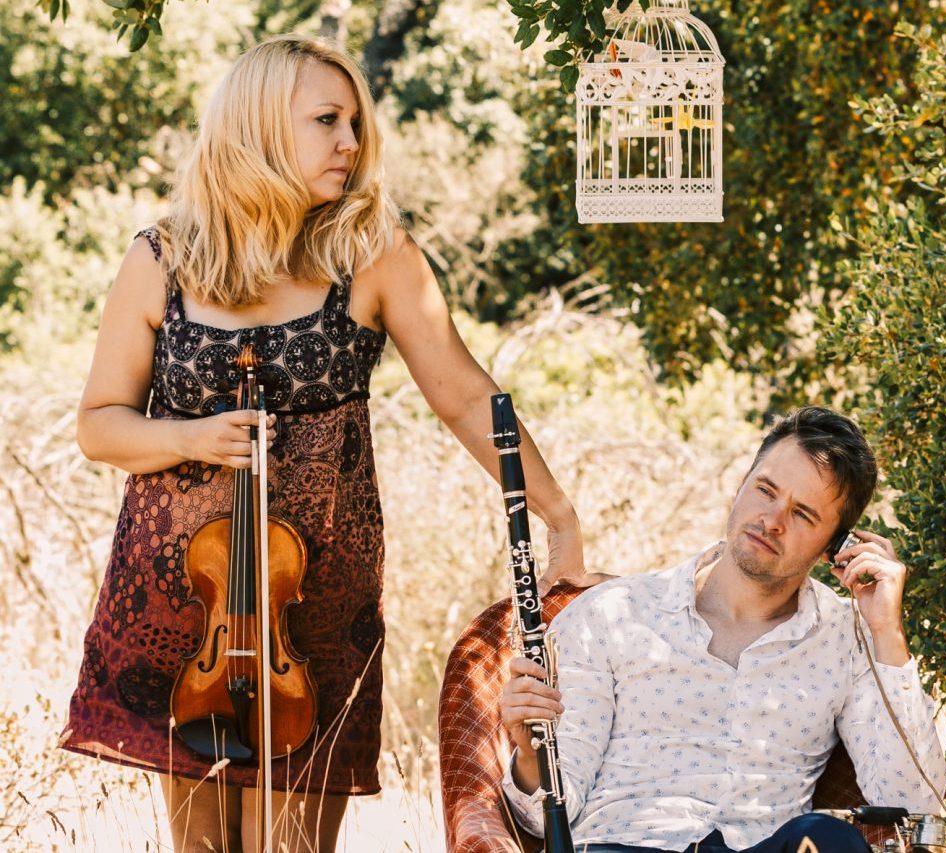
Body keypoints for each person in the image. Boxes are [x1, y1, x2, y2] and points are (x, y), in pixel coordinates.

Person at [63, 35, 591, 853]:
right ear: (262, 126)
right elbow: (100, 423)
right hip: (187, 605)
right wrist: (190, 435)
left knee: (293, 845)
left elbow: (462, 391)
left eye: (353, 122)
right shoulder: (162, 256)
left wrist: (558, 514)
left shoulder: (371, 251)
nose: (351, 142)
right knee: (200, 848)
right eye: (326, 121)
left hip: (313, 609)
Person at [500, 406, 946, 853]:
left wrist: (887, 632)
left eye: (803, 515)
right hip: (627, 843)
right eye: (765, 490)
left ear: (835, 546)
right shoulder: (610, 615)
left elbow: (910, 801)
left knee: (829, 840)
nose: (772, 520)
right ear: (740, 487)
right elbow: (549, 813)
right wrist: (531, 757)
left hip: (766, 846)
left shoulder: (848, 639)